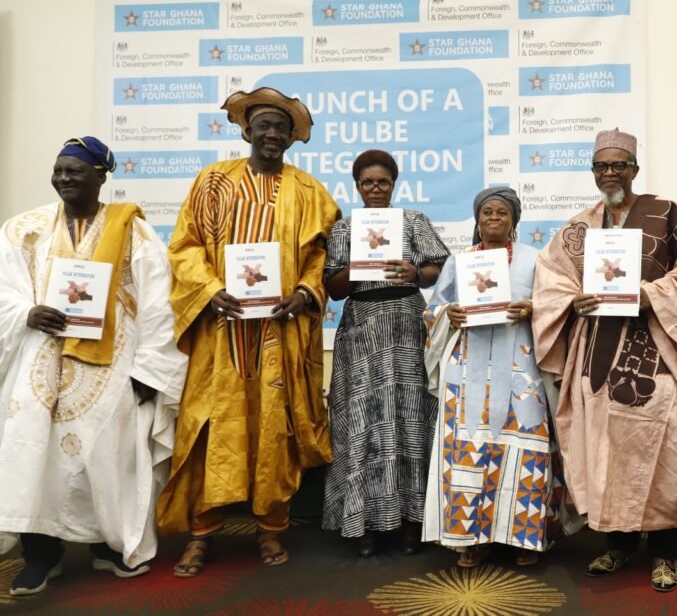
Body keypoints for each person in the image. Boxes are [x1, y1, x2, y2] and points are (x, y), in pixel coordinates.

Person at [156, 88, 339, 576]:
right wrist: (210, 287)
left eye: (281, 126)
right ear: (246, 131)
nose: (272, 134)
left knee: (274, 427)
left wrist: (305, 290)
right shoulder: (213, 182)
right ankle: (201, 532)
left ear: (292, 136)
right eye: (264, 126)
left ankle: (271, 528)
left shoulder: (310, 192)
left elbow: (324, 256)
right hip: (222, 331)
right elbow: (185, 245)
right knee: (208, 426)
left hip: (280, 333)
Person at [532, 128, 677, 592]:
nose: (610, 173)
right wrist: (573, 300)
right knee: (606, 448)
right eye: (602, 166)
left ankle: (664, 551)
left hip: (654, 353)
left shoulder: (667, 214)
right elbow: (552, 278)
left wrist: (648, 295)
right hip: (595, 353)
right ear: (593, 172)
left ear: (635, 170)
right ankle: (617, 544)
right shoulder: (579, 227)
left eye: (619, 165)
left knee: (663, 449)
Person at [0, 137, 186, 596]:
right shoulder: (23, 228)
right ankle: (41, 555)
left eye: (75, 171)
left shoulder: (134, 231)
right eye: (59, 170)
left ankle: (108, 544)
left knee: (109, 455)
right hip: (40, 360)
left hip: (112, 365)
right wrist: (26, 313)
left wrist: (150, 370)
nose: (64, 178)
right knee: (33, 455)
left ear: (102, 176)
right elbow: (4, 287)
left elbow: (158, 302)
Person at [422, 187, 579, 568]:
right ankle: (470, 539)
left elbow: (556, 306)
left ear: (514, 220)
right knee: (467, 452)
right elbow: (433, 310)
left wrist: (533, 309)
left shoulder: (534, 260)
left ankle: (524, 538)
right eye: (487, 212)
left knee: (526, 449)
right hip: (466, 371)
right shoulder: (460, 262)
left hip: (519, 373)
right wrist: (450, 315)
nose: (494, 218)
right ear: (477, 220)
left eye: (502, 213)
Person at [321, 149, 449, 557]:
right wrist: (357, 265)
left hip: (408, 326)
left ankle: (413, 521)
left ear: (395, 184)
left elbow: (441, 269)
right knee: (364, 422)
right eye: (367, 182)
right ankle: (363, 524)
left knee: (410, 419)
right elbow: (334, 289)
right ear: (356, 186)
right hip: (361, 330)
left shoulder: (412, 221)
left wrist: (416, 272)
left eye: (383, 182)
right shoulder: (343, 228)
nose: (376, 189)